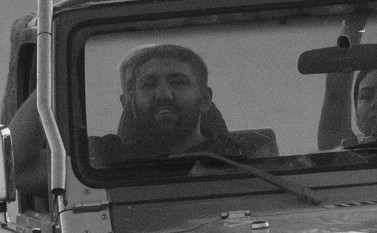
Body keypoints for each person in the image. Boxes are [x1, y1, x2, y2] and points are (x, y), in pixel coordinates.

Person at [90, 42, 275, 163]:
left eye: (178, 82)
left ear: (204, 100)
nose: (163, 95)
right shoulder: (102, 161)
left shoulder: (246, 159)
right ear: (132, 103)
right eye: (149, 84)